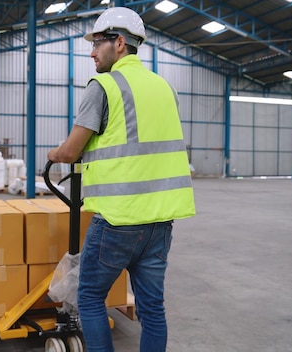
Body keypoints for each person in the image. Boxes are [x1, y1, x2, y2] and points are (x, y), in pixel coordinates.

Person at [47, 7, 196, 352]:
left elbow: (71, 151)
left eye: (98, 43)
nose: (92, 52)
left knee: (89, 297)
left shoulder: (104, 86)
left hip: (118, 220)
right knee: (153, 309)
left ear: (119, 43)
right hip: (160, 221)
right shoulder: (165, 88)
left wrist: (55, 154)